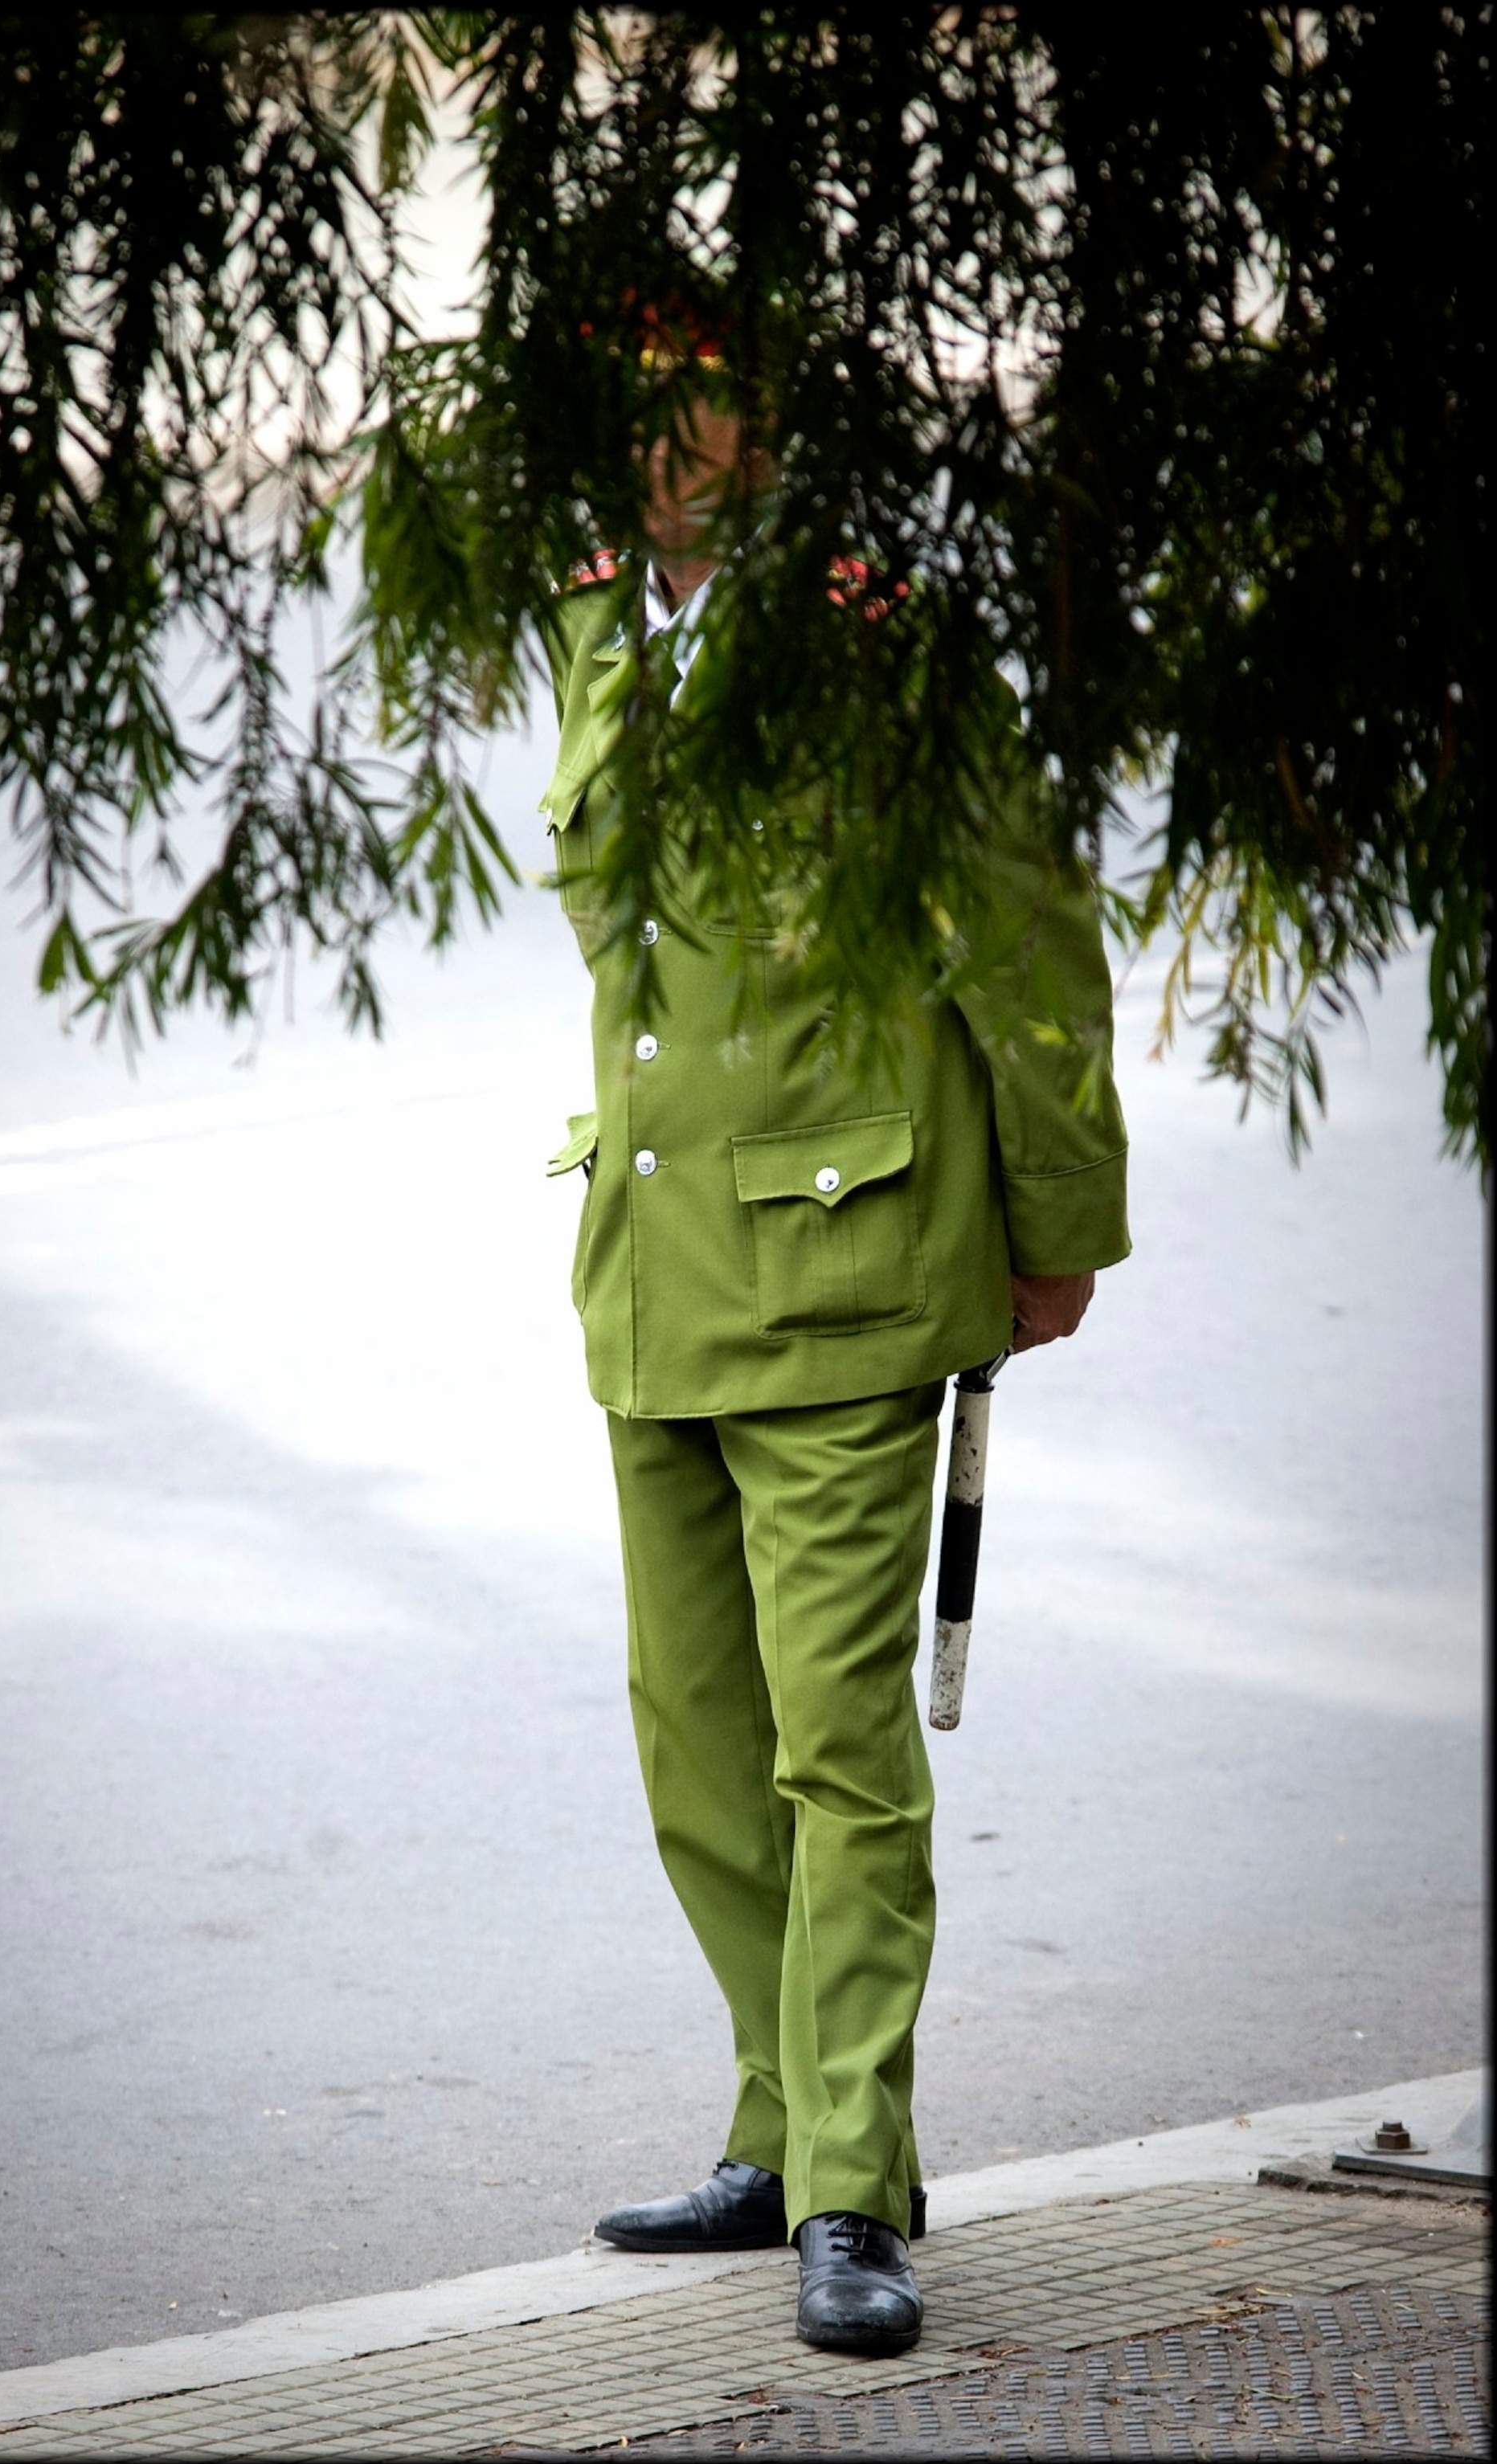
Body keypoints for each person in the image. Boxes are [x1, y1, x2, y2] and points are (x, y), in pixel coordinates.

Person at [539, 362, 1129, 2356]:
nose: (634, 427)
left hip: (850, 1269)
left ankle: (855, 2188)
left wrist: (1056, 1229)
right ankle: (777, 2124)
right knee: (695, 1749)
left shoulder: (883, 636)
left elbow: (1024, 935)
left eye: (673, 389)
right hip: (655, 1273)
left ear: (765, 421)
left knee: (836, 1753)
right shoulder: (604, 607)